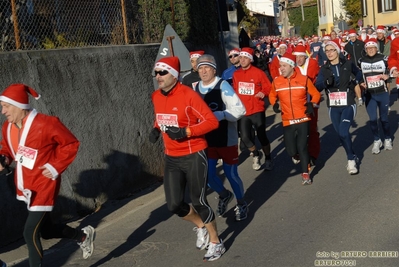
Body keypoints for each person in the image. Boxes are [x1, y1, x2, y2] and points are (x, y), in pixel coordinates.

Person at [0, 84, 95, 267]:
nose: (3, 111)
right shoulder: (8, 127)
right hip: (27, 185)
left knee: (29, 233)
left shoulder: (46, 123)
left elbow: (70, 144)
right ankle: (83, 236)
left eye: (6, 106)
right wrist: (4, 160)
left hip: (44, 184)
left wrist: (54, 166)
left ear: (19, 105)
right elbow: (8, 147)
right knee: (47, 230)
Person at [149, 56, 225, 261]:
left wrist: (186, 132)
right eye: (156, 73)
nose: (158, 76)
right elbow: (161, 116)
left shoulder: (188, 96)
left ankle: (216, 242)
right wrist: (156, 129)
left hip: (194, 154)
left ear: (174, 75)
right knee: (174, 205)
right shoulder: (156, 96)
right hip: (172, 157)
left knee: (198, 200)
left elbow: (211, 122)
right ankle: (200, 226)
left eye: (162, 72)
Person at [194, 54, 248, 221]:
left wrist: (222, 114)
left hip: (226, 139)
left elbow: (240, 110)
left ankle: (241, 203)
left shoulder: (222, 85)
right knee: (208, 176)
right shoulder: (195, 88)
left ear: (214, 70)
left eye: (207, 68)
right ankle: (224, 195)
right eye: (200, 68)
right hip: (206, 140)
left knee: (231, 174)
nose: (203, 71)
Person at [269, 53, 321, 185]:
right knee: (291, 150)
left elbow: (315, 94)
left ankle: (305, 174)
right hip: (287, 120)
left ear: (292, 66)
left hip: (303, 118)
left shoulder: (303, 79)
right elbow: (272, 95)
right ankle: (297, 156)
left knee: (302, 147)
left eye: (284, 66)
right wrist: (274, 104)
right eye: (280, 66)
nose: (281, 68)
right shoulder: (277, 81)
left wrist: (312, 104)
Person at [315, 41, 364, 175]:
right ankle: (352, 154)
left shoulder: (347, 64)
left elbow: (359, 73)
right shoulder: (324, 69)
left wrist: (355, 81)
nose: (329, 53)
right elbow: (317, 86)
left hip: (348, 103)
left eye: (332, 50)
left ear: (338, 51)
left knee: (343, 132)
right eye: (327, 51)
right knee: (341, 135)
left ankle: (350, 161)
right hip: (333, 106)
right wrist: (325, 82)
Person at [233, 47, 274, 171]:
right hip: (243, 111)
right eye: (241, 57)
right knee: (245, 138)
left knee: (262, 136)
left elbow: (268, 87)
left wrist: (263, 93)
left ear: (250, 59)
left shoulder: (258, 73)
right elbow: (235, 90)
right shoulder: (236, 74)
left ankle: (268, 158)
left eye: (245, 57)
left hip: (257, 109)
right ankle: (256, 154)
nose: (242, 60)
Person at [358, 38, 392, 154]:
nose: (371, 50)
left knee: (384, 119)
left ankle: (387, 138)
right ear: (365, 49)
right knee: (372, 119)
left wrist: (388, 76)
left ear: (376, 49)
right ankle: (377, 140)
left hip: (382, 93)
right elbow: (357, 74)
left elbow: (392, 69)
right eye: (368, 48)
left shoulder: (383, 59)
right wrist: (359, 82)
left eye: (373, 48)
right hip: (369, 94)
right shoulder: (361, 60)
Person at [292, 44, 321, 166]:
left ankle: (313, 154)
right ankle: (298, 152)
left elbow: (319, 77)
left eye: (300, 57)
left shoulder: (313, 64)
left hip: (312, 101)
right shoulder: (293, 68)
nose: (298, 60)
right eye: (296, 57)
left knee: (312, 129)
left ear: (305, 57)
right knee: (298, 130)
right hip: (297, 103)